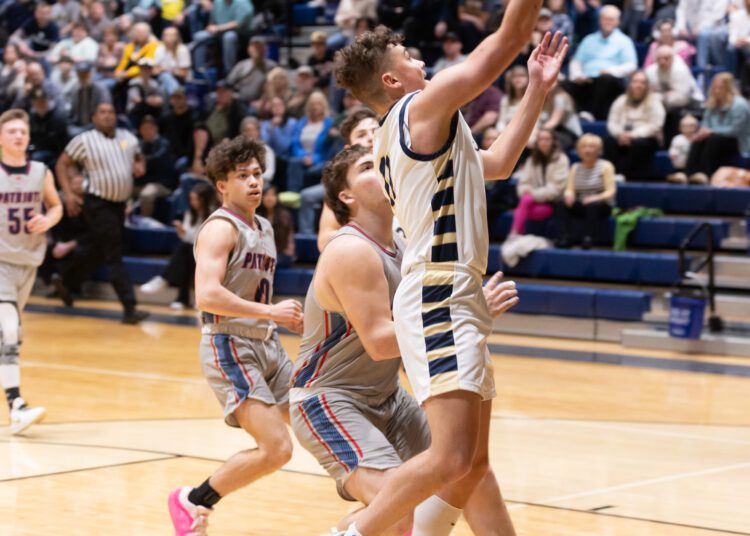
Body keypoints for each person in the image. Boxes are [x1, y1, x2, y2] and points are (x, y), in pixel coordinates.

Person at [332, 3, 566, 532]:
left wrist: (536, 89)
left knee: (470, 467)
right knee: (451, 456)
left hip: (453, 291)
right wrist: (521, 29)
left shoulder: (427, 130)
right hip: (438, 291)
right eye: (409, 56)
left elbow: (498, 164)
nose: (422, 61)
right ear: (392, 80)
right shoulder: (416, 111)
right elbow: (505, 40)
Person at [291, 146, 519, 536]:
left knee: (469, 470)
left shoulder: (407, 243)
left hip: (387, 397)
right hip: (330, 398)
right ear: (346, 196)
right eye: (367, 167)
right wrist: (463, 313)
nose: (382, 169)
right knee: (394, 512)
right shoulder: (351, 250)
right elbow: (380, 342)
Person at [167, 136, 303, 535]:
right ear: (222, 185)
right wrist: (271, 311)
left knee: (315, 424)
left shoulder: (264, 226)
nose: (254, 182)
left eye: (257, 174)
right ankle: (194, 499)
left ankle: (382, 506)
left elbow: (250, 290)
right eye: (243, 176)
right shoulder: (220, 229)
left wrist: (281, 317)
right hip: (229, 344)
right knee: (277, 449)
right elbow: (207, 295)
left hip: (267, 343)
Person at [54, 103, 150, 324]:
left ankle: (65, 280)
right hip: (98, 203)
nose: (107, 116)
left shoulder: (128, 137)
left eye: (111, 112)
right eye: (102, 112)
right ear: (94, 118)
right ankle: (129, 308)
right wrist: (68, 194)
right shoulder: (84, 140)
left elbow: (138, 157)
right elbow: (61, 164)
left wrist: (140, 165)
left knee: (98, 250)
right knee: (113, 253)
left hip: (119, 205)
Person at [0, 109, 62, 435]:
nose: (18, 136)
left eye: (22, 132)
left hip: (28, 262)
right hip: (0, 262)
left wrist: (47, 220)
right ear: (1, 138)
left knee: (10, 335)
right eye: (12, 131)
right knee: (9, 330)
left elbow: (56, 206)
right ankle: (17, 406)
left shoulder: (40, 171)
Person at [140, 182, 217, 308]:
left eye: (195, 199)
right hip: (193, 250)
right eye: (191, 199)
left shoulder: (214, 215)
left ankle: (165, 280)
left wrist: (185, 233)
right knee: (186, 255)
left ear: (204, 200)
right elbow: (189, 238)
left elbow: (203, 238)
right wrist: (182, 232)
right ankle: (182, 298)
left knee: (185, 250)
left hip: (210, 252)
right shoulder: (190, 213)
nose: (192, 202)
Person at [567, 5, 638, 120]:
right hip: (587, 80)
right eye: (605, 19)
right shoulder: (588, 39)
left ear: (618, 22)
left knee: (605, 79)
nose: (607, 22)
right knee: (563, 83)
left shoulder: (624, 41)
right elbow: (576, 61)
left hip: (611, 81)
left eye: (611, 19)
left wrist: (610, 71)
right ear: (599, 20)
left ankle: (590, 112)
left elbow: (631, 65)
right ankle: (575, 114)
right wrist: (577, 75)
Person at [684, 72, 750, 183]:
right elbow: (705, 123)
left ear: (729, 89)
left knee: (713, 139)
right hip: (714, 139)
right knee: (699, 140)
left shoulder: (740, 105)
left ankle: (706, 175)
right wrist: (701, 133)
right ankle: (689, 174)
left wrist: (711, 131)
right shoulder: (712, 104)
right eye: (714, 87)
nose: (716, 91)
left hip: (737, 142)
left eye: (720, 88)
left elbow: (734, 130)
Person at [556, 133, 617, 249]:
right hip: (582, 202)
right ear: (578, 150)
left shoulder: (606, 166)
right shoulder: (575, 167)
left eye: (591, 147)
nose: (587, 150)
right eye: (583, 146)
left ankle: (588, 238)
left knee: (593, 206)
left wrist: (594, 198)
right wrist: (569, 196)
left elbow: (610, 191)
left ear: (598, 150)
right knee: (561, 204)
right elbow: (570, 189)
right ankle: (565, 237)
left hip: (601, 205)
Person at [604, 71, 666, 181]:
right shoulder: (621, 100)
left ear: (647, 86)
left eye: (642, 82)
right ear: (630, 84)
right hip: (622, 135)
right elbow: (612, 122)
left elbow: (656, 125)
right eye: (635, 81)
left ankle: (629, 177)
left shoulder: (654, 102)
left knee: (639, 144)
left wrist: (632, 135)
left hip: (646, 138)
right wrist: (619, 134)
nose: (638, 85)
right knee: (609, 141)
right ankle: (611, 174)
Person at [510, 128, 569, 238]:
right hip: (533, 201)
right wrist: (527, 192)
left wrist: (533, 194)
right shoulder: (532, 159)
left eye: (547, 139)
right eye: (541, 139)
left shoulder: (561, 159)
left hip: (553, 202)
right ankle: (516, 234)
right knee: (525, 204)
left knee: (523, 206)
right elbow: (523, 183)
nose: (544, 142)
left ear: (553, 141)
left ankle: (514, 234)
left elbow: (557, 189)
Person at [645, 45, 704, 143]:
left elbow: (682, 99)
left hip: (691, 104)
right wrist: (665, 96)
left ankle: (671, 144)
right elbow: (647, 95)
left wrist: (660, 97)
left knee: (673, 114)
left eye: (666, 58)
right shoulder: (650, 71)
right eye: (659, 59)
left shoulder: (681, 70)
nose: (662, 62)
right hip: (662, 104)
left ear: (673, 58)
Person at [286, 91, 333, 193]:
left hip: (320, 159)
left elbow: (328, 149)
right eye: (312, 104)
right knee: (293, 162)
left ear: (323, 106)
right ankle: (293, 193)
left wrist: (314, 159)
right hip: (301, 159)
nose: (315, 107)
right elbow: (295, 143)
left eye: (318, 104)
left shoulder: (329, 124)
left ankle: (297, 192)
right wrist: (304, 156)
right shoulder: (302, 122)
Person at [191, 0, 254, 75]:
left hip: (238, 34)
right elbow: (212, 22)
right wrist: (210, 27)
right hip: (218, 33)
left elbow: (238, 23)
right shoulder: (218, 2)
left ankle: (229, 72)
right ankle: (199, 71)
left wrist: (218, 28)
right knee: (199, 36)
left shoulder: (243, 2)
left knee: (229, 37)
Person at [135, 115, 176, 218]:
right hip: (142, 182)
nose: (147, 131)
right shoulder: (138, 144)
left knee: (146, 195)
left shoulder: (164, 143)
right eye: (144, 129)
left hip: (161, 183)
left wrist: (142, 161)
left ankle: (145, 223)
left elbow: (159, 160)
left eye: (150, 128)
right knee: (122, 189)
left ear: (156, 129)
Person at [675, 0, 730, 70]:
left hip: (716, 26)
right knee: (674, 33)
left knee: (703, 35)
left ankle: (701, 69)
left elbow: (717, 16)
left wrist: (700, 27)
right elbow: (681, 10)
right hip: (692, 26)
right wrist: (681, 27)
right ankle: (681, 69)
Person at [225, 36, 278, 105]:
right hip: (240, 101)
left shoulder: (272, 67)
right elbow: (229, 83)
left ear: (266, 50)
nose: (257, 50)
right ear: (249, 49)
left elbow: (277, 89)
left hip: (262, 104)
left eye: (260, 47)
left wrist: (264, 102)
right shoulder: (241, 65)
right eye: (255, 47)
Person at [68, 61, 112, 137]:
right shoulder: (75, 90)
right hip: (78, 125)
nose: (83, 76)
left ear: (90, 74)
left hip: (95, 126)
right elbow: (71, 112)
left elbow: (106, 112)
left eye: (85, 73)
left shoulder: (101, 90)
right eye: (80, 74)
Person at [256, 184, 295, 267]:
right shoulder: (256, 217)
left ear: (277, 198)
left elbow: (290, 238)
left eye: (272, 195)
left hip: (281, 254)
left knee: (269, 262)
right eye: (266, 195)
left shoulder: (284, 216)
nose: (269, 198)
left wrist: (289, 252)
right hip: (262, 255)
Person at [667, 114, 700, 183]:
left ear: (697, 127)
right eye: (685, 126)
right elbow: (673, 152)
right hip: (680, 168)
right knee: (680, 177)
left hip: (696, 169)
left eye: (691, 126)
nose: (688, 128)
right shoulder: (677, 139)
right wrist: (672, 155)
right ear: (680, 127)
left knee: (699, 177)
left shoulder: (699, 139)